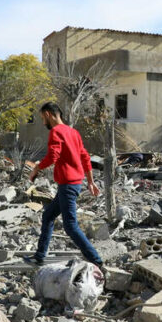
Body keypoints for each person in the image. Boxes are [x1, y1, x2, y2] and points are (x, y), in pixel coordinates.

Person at [23, 102, 104, 268]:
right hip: (72, 184)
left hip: (68, 185)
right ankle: (40, 256)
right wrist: (90, 181)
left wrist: (36, 168)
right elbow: (85, 157)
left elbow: (53, 156)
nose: (43, 122)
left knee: (70, 226)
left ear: (48, 114)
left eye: (42, 118)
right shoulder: (73, 132)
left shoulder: (56, 131)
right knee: (48, 216)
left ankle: (97, 260)